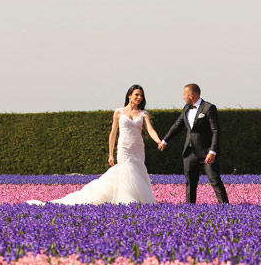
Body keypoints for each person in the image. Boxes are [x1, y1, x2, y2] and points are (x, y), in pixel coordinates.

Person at [28, 85, 161, 205]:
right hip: (124, 148)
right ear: (129, 95)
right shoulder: (119, 112)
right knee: (126, 172)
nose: (139, 97)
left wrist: (158, 141)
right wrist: (110, 154)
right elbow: (113, 133)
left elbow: (150, 129)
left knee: (137, 172)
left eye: (141, 95)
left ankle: (138, 200)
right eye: (136, 94)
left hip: (137, 148)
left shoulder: (143, 114)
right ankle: (127, 202)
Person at [159, 83, 228, 204]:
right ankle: (190, 209)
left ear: (191, 95)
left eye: (184, 94)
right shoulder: (186, 108)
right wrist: (165, 141)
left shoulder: (208, 108)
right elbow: (177, 125)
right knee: (190, 182)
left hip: (207, 152)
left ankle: (226, 207)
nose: (183, 97)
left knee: (215, 180)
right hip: (190, 153)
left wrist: (212, 151)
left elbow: (216, 131)